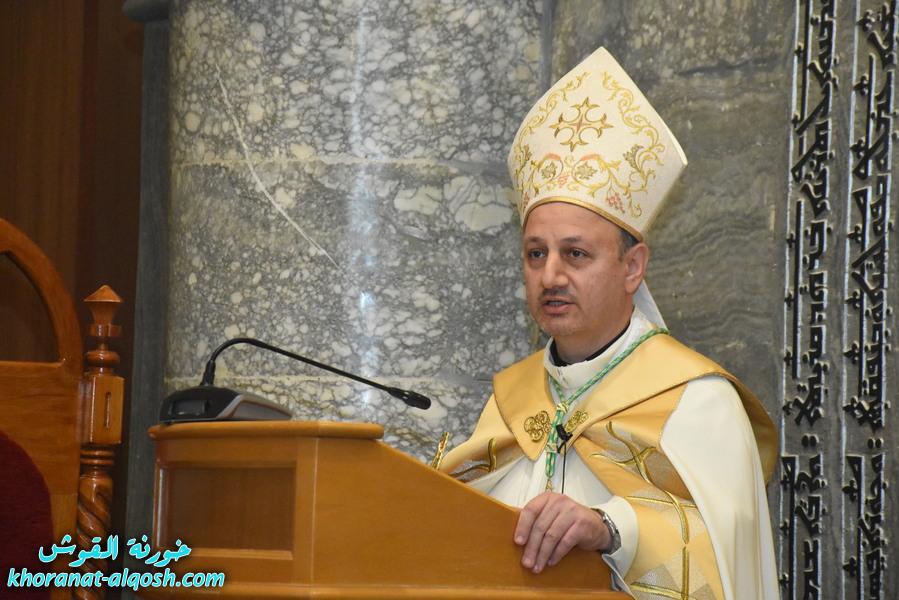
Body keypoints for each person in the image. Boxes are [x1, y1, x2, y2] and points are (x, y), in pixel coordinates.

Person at [436, 47, 779, 599]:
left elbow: (727, 556)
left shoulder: (696, 402)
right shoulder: (510, 402)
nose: (550, 276)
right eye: (535, 253)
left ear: (632, 266)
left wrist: (614, 529)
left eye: (575, 254)